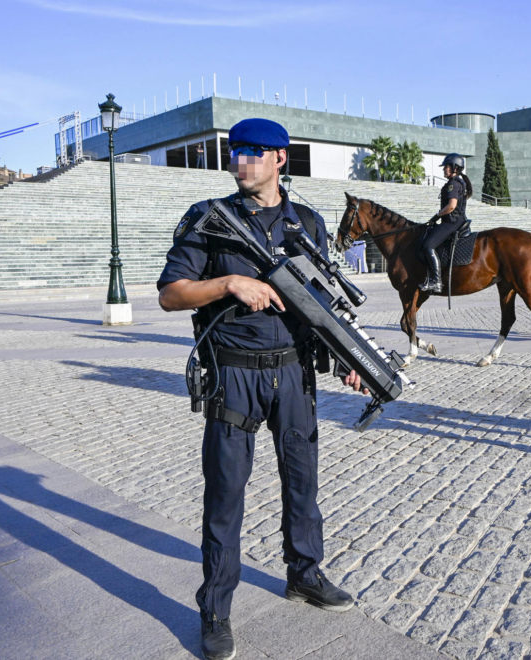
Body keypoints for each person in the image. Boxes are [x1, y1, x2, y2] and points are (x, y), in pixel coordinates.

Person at [158, 118, 365, 660]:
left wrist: (345, 359)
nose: (240, 159)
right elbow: (171, 294)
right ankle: (216, 609)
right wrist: (229, 283)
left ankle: (305, 573)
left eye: (253, 151)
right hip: (234, 375)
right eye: (234, 151)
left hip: (294, 372)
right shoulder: (207, 220)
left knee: (302, 483)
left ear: (280, 158)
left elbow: (319, 306)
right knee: (225, 494)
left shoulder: (309, 224)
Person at [419, 153, 472, 293]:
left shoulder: (453, 184)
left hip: (452, 221)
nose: (444, 169)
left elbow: (451, 206)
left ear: (454, 168)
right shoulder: (459, 182)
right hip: (457, 220)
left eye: (446, 167)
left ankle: (436, 281)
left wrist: (436, 216)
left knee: (428, 246)